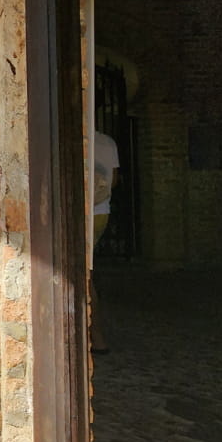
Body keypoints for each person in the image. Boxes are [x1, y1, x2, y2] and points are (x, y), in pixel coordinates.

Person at [90, 130, 119, 353]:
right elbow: (115, 180)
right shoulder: (108, 142)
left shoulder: (70, 137)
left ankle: (96, 336)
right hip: (101, 211)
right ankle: (96, 337)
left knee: (81, 276)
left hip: (79, 212)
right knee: (85, 272)